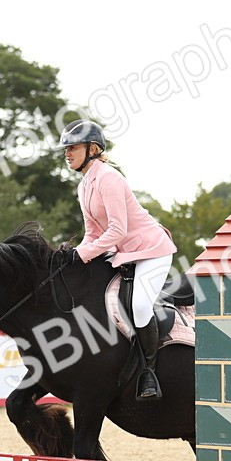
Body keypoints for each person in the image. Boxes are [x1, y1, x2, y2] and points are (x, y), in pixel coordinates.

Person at [56, 119, 176, 401]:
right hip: (122, 254)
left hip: (151, 252)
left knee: (140, 306)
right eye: (66, 149)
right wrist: (75, 259)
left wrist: (84, 254)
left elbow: (117, 229)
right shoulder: (84, 185)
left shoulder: (109, 177)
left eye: (73, 147)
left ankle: (149, 372)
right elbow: (93, 232)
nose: (67, 153)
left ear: (93, 148)